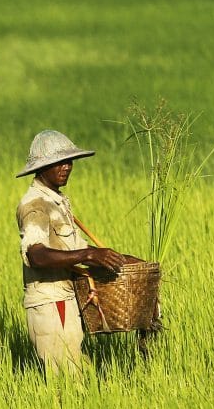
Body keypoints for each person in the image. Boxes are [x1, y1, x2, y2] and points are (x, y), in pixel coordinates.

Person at [15, 130, 129, 376]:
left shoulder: (57, 200)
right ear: (42, 167)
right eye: (58, 162)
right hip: (51, 305)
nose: (66, 167)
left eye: (69, 161)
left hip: (67, 300)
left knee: (78, 375)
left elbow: (78, 248)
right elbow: (36, 255)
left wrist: (120, 260)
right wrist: (88, 257)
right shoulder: (35, 205)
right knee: (66, 382)